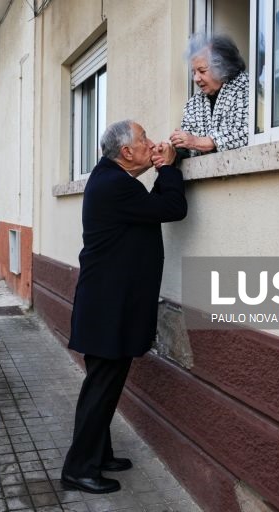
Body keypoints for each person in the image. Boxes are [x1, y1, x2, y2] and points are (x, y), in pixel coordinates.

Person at [60, 120, 187, 494]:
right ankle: (78, 469)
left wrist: (160, 168)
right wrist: (169, 167)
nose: (151, 143)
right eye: (144, 138)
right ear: (127, 152)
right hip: (107, 308)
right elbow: (171, 208)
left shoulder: (111, 180)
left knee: (103, 386)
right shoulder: (114, 184)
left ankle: (98, 454)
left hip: (108, 304)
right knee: (101, 388)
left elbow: (149, 208)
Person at [170, 34, 249, 155]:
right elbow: (186, 147)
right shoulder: (194, 103)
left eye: (202, 71)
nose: (196, 78)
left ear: (223, 67)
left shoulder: (246, 87)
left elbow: (246, 132)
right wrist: (171, 152)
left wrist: (198, 141)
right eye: (194, 72)